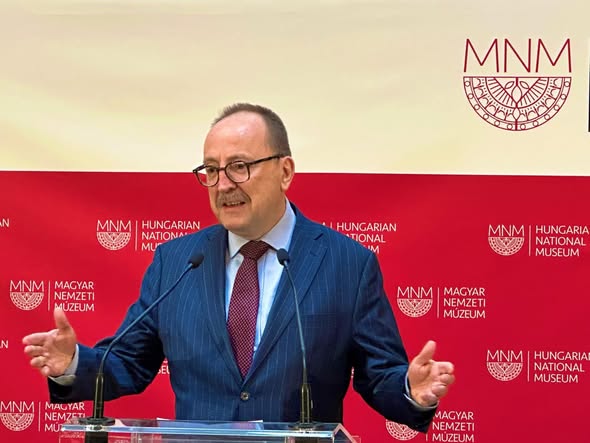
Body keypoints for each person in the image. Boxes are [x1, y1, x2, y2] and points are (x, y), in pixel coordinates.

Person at [23, 103, 454, 432]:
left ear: (285, 171)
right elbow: (128, 363)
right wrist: (72, 363)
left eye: (239, 167)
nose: (223, 184)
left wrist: (411, 391)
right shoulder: (176, 261)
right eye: (211, 170)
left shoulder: (347, 264)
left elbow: (379, 377)